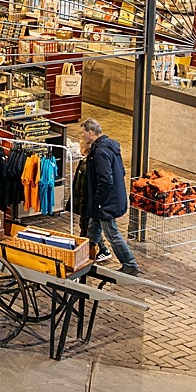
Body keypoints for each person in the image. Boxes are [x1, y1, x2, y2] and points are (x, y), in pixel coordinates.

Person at [76, 118, 139, 276]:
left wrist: (98, 201)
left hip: (106, 202)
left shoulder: (100, 152)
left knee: (112, 233)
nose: (82, 137)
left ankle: (129, 263)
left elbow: (105, 180)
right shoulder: (110, 147)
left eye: (83, 134)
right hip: (112, 198)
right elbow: (121, 171)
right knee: (93, 228)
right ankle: (87, 257)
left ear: (91, 133)